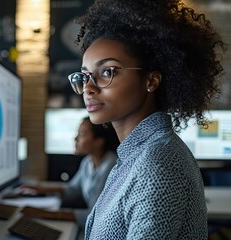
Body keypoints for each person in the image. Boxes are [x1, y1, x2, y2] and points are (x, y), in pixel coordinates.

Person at [67, 0, 226, 239]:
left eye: (107, 71)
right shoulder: (136, 154)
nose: (88, 88)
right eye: (85, 75)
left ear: (151, 81)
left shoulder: (157, 163)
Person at [20, 116, 119, 228]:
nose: (75, 138)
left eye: (82, 134)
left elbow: (96, 215)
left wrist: (48, 214)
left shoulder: (111, 166)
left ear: (99, 142)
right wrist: (40, 188)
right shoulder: (88, 162)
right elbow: (72, 189)